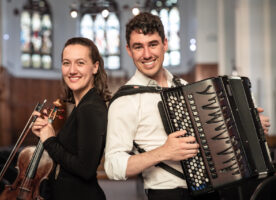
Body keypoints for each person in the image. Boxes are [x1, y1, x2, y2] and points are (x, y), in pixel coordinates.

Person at [104, 12, 271, 200]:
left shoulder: (184, 87)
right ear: (128, 50)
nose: (147, 54)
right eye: (138, 47)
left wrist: (248, 126)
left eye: (153, 44)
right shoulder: (124, 101)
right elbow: (113, 166)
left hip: (211, 191)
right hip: (168, 194)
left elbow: (213, 136)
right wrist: (163, 152)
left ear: (165, 44)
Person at [32, 37, 111, 200]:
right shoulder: (82, 105)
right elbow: (67, 154)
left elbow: (85, 169)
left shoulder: (90, 108)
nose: (72, 70)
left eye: (80, 63)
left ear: (95, 67)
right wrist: (45, 133)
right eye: (66, 63)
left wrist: (50, 141)